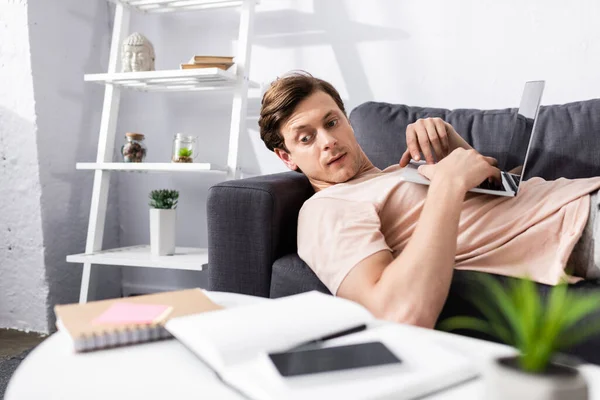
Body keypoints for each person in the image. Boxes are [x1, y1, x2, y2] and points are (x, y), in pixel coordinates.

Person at [258, 71, 600, 329]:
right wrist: (447, 183)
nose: (328, 140)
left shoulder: (396, 173)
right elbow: (395, 313)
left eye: (332, 122)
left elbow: (499, 197)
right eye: (306, 138)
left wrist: (457, 150)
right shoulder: (325, 209)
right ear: (287, 157)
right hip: (584, 222)